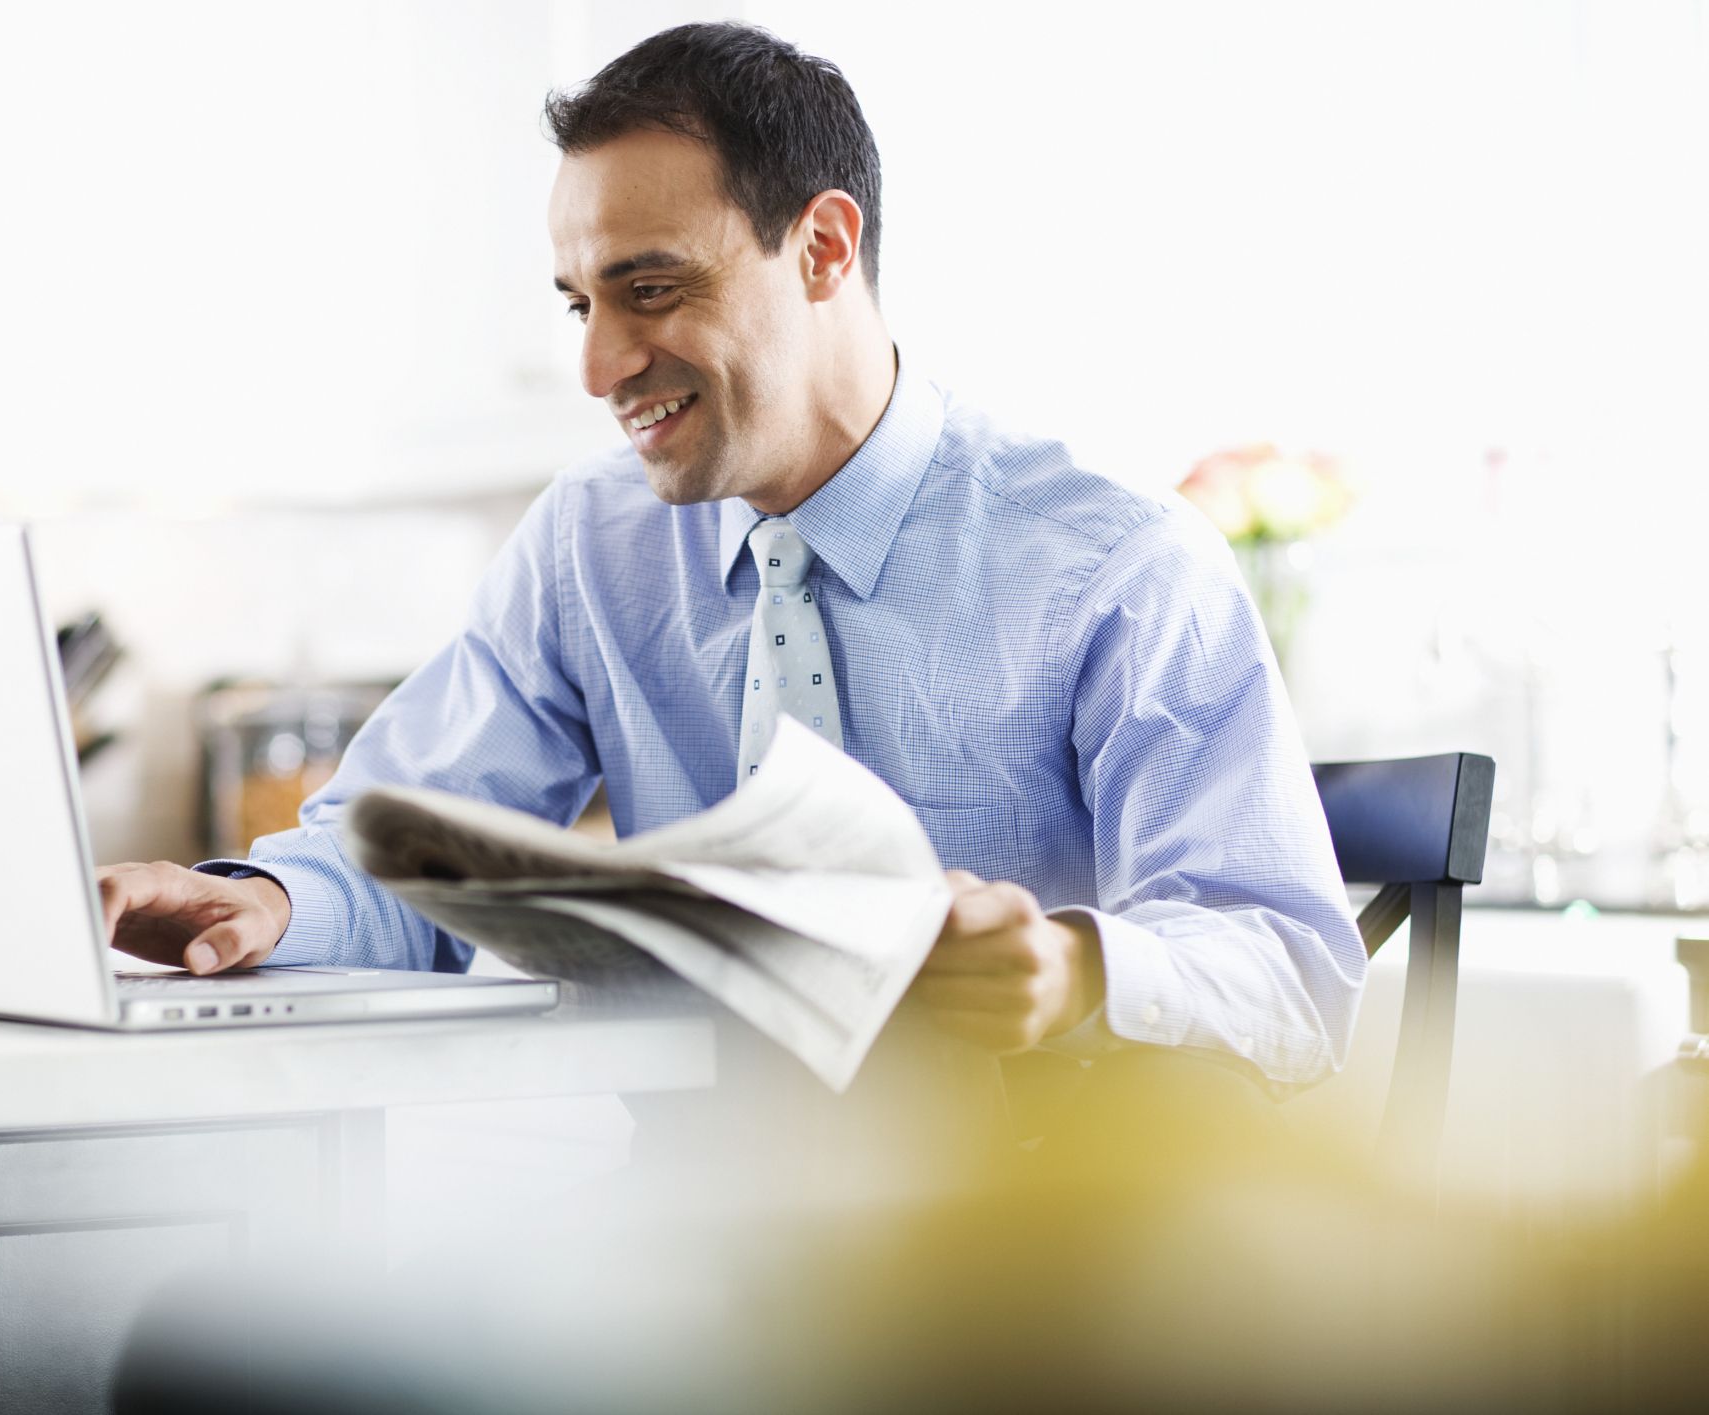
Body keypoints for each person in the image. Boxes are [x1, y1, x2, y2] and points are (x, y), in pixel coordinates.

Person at [97, 21, 1363, 1087]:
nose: (597, 366)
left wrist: (1081, 966)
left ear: (822, 248)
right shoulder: (592, 546)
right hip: (686, 1269)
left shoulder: (1116, 562)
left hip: (1023, 1266)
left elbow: (1295, 976)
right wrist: (267, 903)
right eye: (579, 302)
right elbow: (408, 854)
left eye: (651, 290)